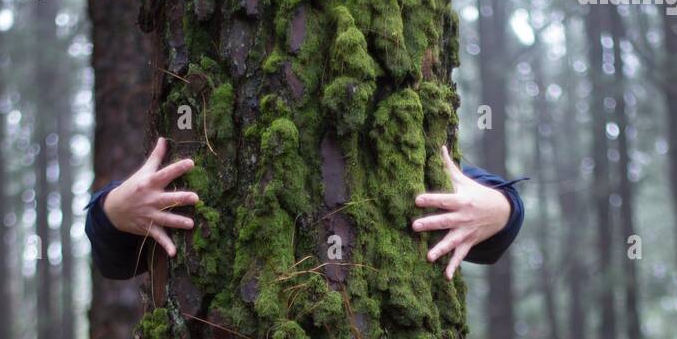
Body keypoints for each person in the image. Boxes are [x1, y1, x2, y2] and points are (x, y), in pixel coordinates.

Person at [86, 138, 525, 281]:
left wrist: (501, 209)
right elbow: (115, 258)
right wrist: (111, 210)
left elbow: (486, 199)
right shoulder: (203, 153)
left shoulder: (402, 145)